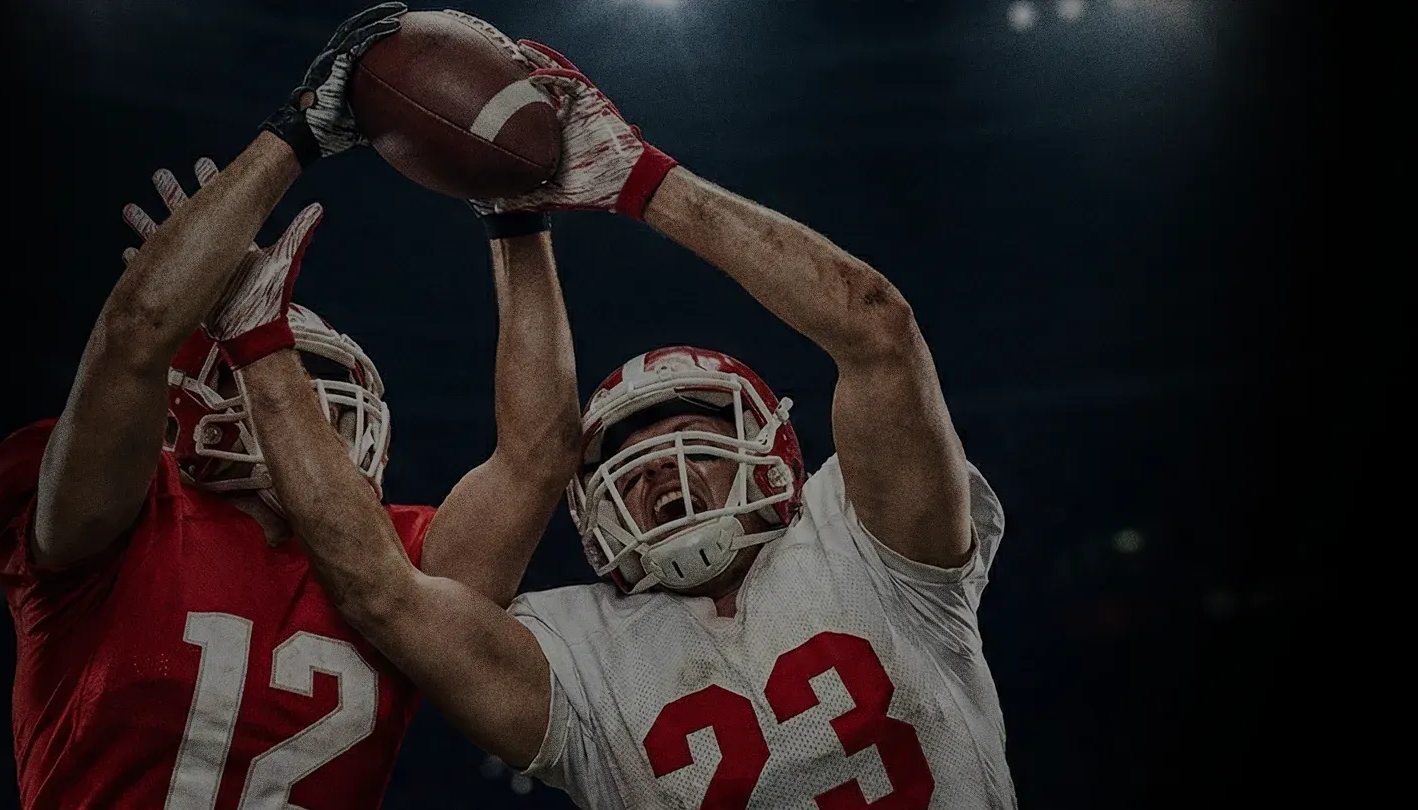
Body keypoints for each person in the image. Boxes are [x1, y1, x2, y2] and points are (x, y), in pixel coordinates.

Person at [233, 28, 1020, 810]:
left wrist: (642, 181)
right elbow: (384, 595)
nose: (658, 468)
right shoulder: (578, 652)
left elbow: (878, 332)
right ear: (592, 508)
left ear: (773, 452)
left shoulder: (866, 544)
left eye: (692, 437)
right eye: (625, 459)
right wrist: (261, 349)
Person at [0, 5, 583, 807]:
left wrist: (518, 215)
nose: (312, 411)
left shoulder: (393, 559)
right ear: (184, 408)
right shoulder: (126, 522)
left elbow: (537, 456)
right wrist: (298, 133)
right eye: (273, 377)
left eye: (330, 393)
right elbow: (133, 337)